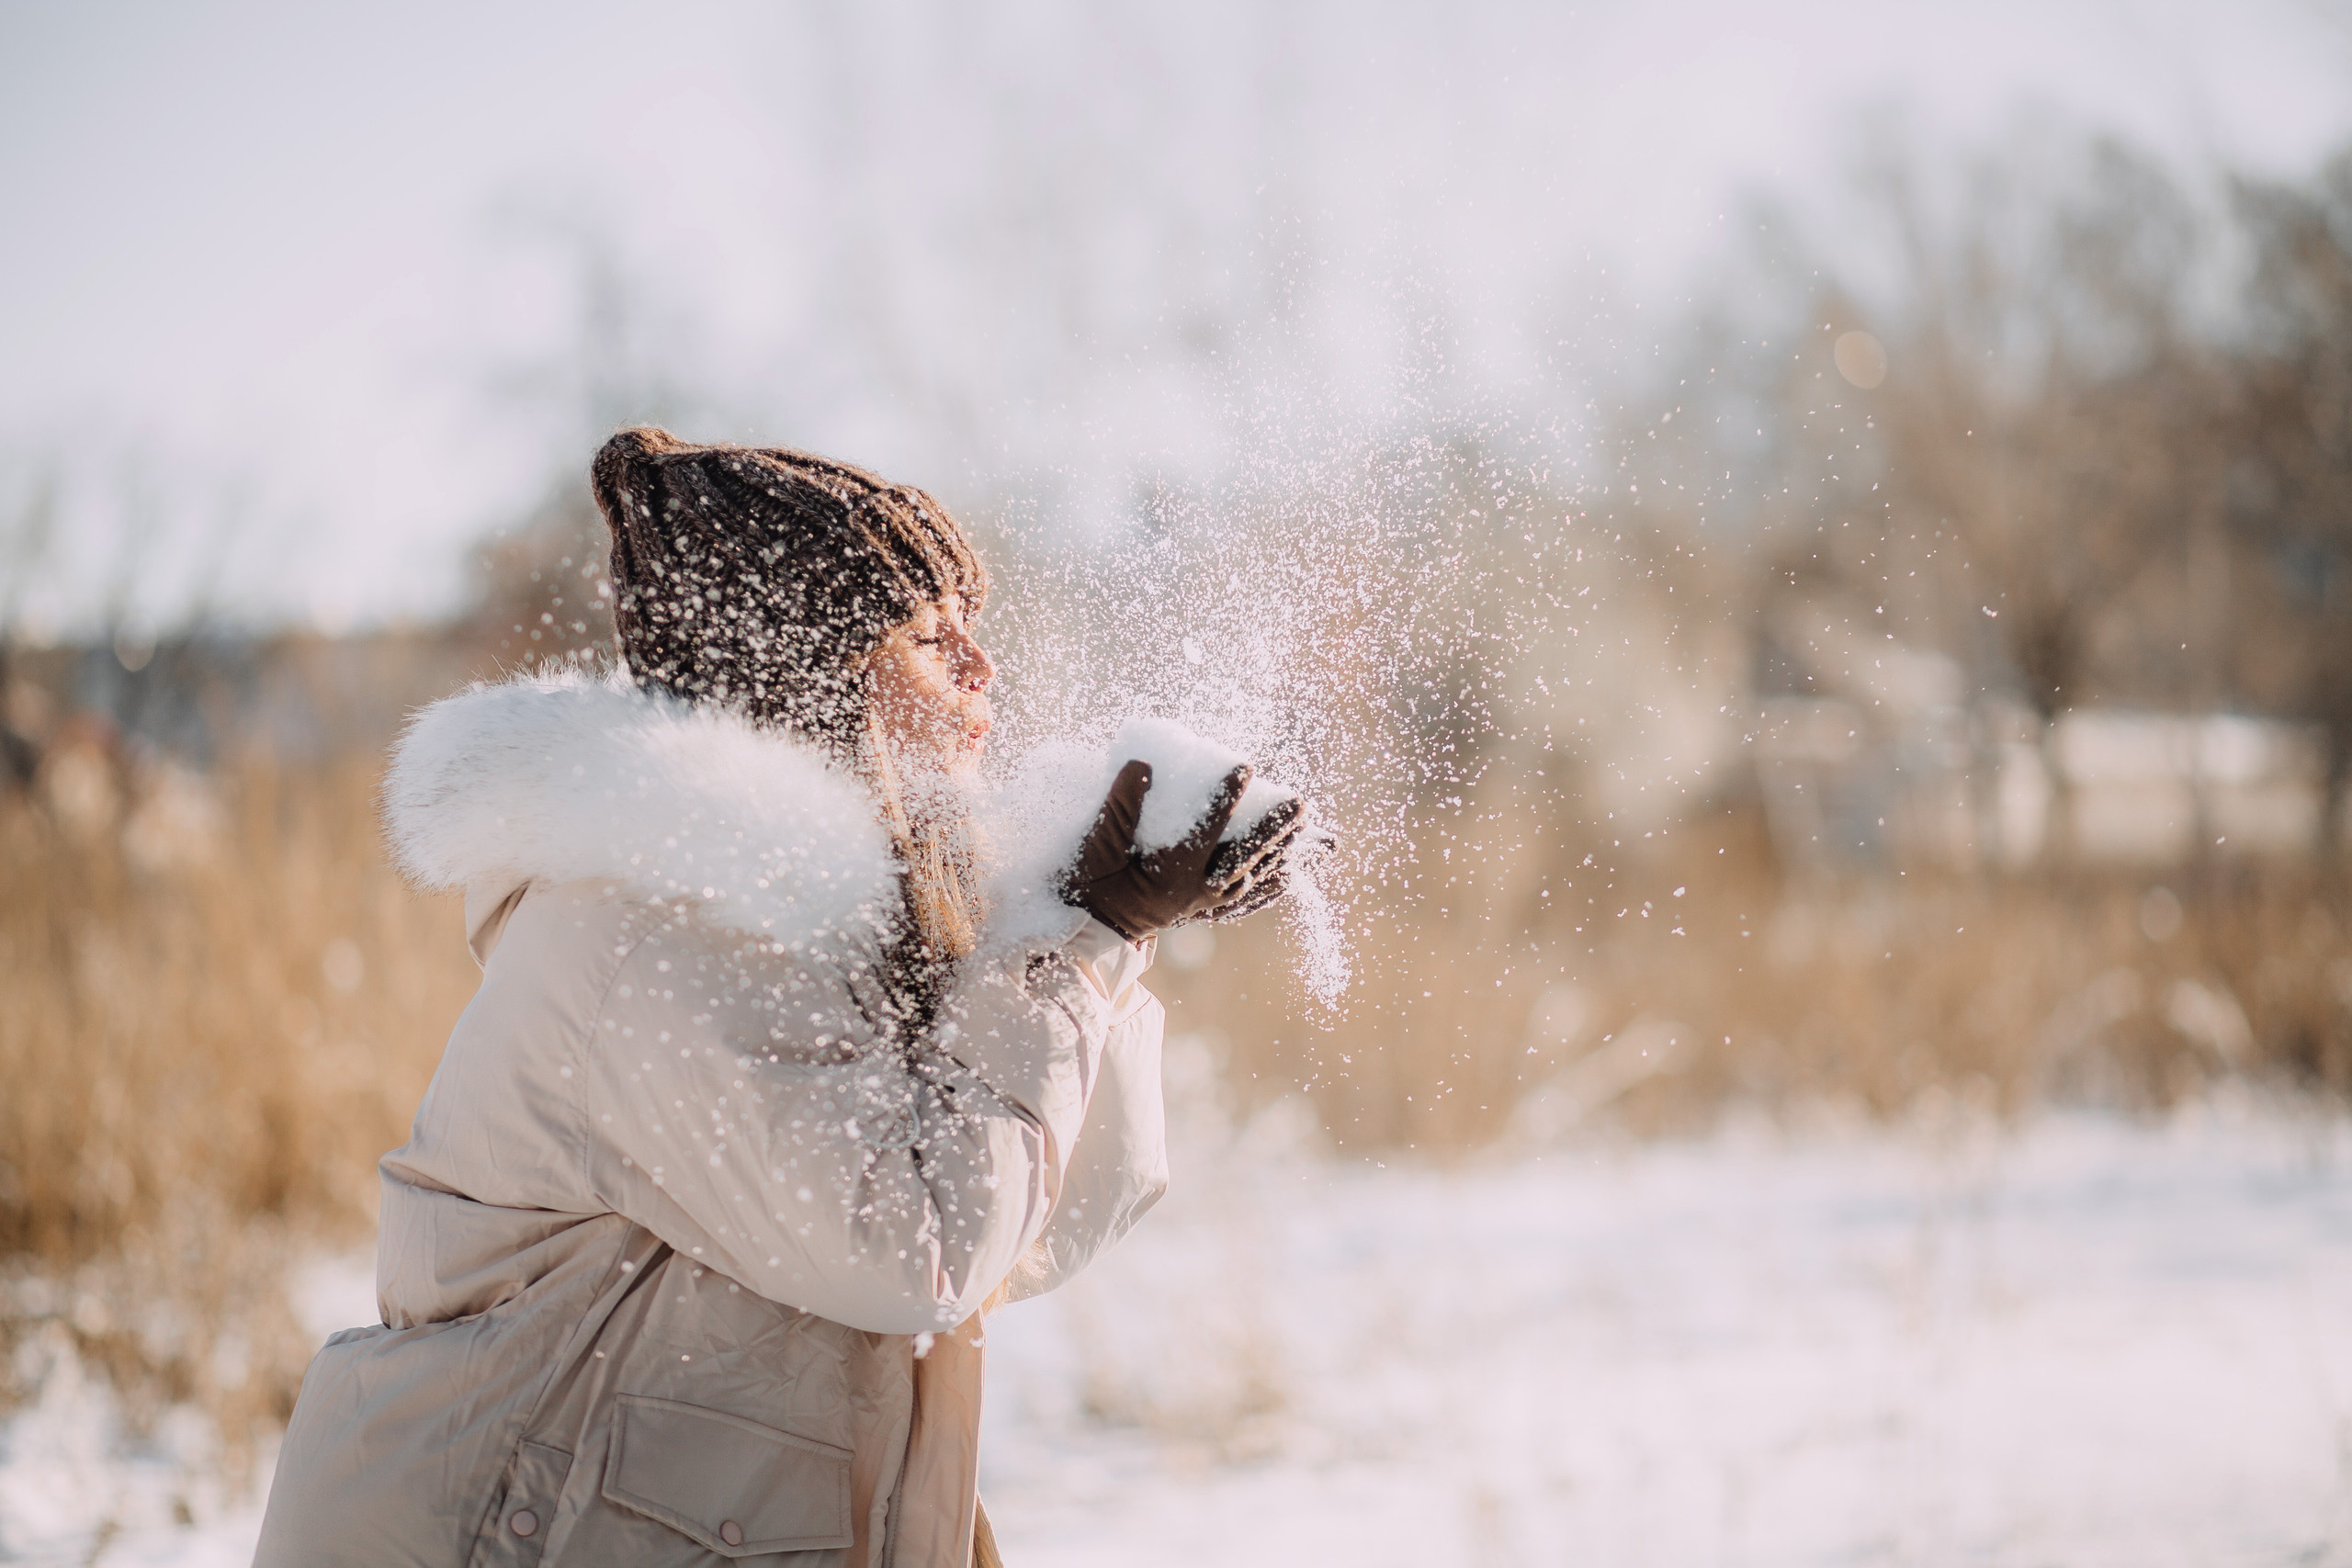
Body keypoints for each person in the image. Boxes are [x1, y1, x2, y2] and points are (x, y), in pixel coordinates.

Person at [253, 430, 1310, 1568]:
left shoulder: (829, 926)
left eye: (973, 623)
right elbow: (919, 1254)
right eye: (928, 634)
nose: (979, 668)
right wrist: (1073, 955)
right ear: (804, 666)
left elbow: (1038, 1227)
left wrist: (1092, 936)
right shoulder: (653, 929)